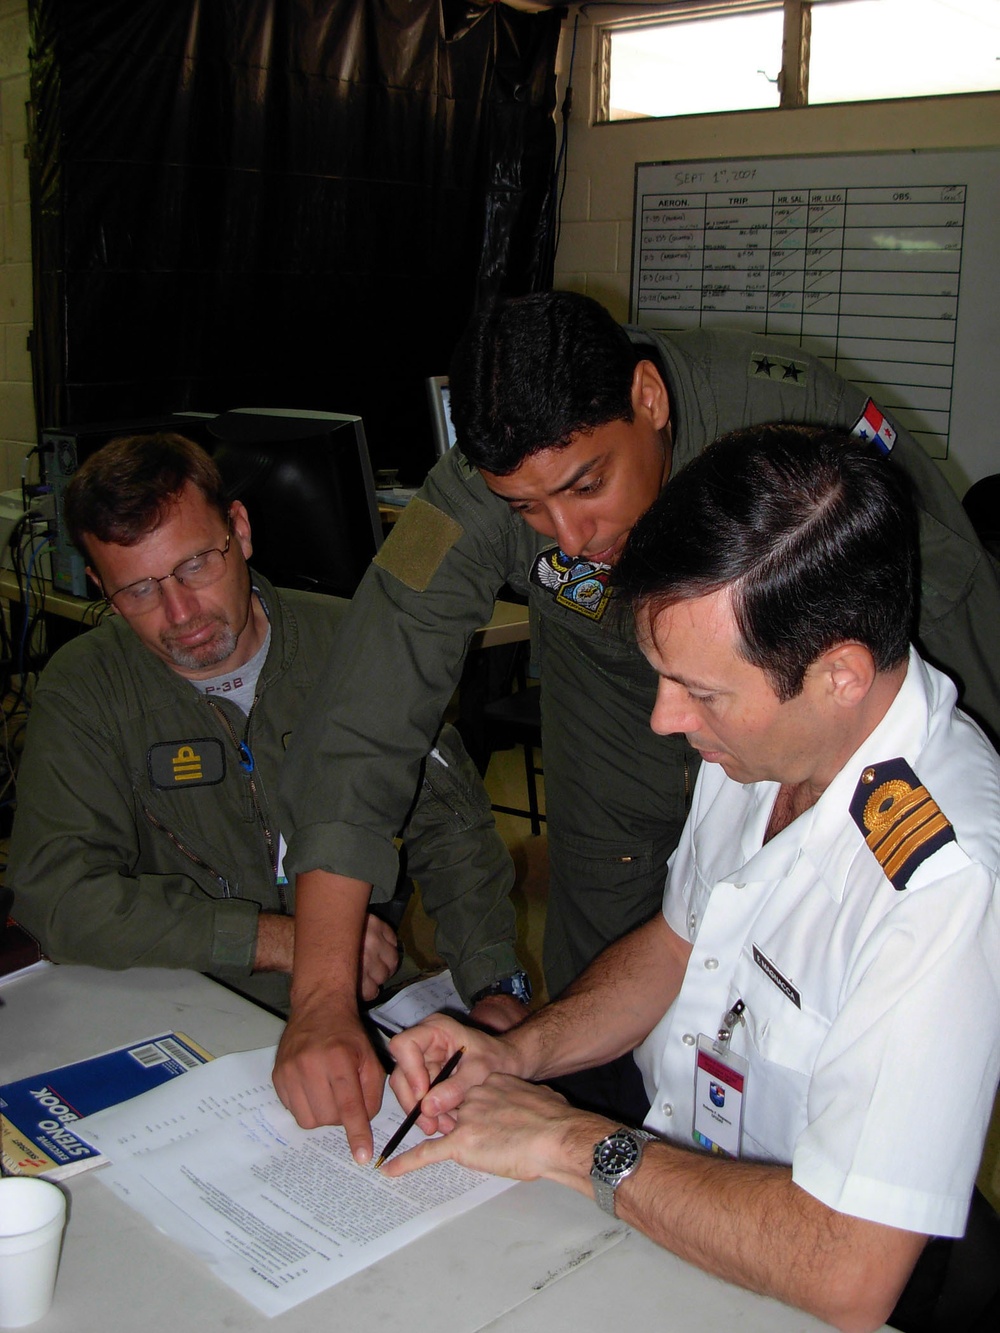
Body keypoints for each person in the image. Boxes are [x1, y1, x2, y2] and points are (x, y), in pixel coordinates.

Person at [275, 290, 1000, 1154]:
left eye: (589, 484)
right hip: (611, 692)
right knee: (609, 963)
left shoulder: (795, 431)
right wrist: (321, 996)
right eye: (529, 511)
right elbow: (369, 707)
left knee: (813, 986)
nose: (570, 536)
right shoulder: (486, 484)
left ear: (649, 401)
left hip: (794, 693)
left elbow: (944, 596)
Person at [382, 424, 1000, 1333]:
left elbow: (847, 1271)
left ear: (840, 674)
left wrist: (564, 1139)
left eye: (700, 693)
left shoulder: (945, 882)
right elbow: (679, 944)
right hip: (674, 1192)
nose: (667, 719)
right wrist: (520, 1053)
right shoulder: (764, 738)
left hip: (800, 1276)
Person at [8, 433, 526, 1027]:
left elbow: (450, 832)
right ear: (103, 588)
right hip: (180, 999)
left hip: (367, 996)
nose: (181, 614)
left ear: (241, 530)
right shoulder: (87, 688)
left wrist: (495, 988)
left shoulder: (358, 646)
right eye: (139, 589)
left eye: (195, 564)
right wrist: (279, 941)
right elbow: (58, 896)